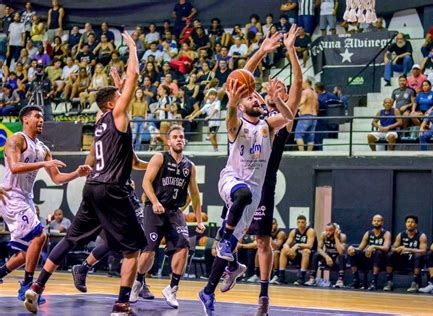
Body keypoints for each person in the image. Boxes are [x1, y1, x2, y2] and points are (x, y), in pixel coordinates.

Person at [23, 32, 146, 315]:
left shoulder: (101, 120)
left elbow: (103, 155)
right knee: (132, 249)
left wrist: (117, 85)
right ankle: (122, 304)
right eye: (121, 96)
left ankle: (36, 287)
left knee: (70, 239)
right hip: (113, 188)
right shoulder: (116, 115)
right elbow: (135, 76)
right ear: (114, 104)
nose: (125, 95)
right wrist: (131, 48)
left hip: (92, 185)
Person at [198, 32, 293, 316]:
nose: (254, 97)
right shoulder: (236, 124)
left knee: (230, 246)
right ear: (241, 104)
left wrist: (277, 101)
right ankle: (226, 241)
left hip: (250, 200)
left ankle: (208, 291)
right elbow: (241, 80)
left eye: (256, 95)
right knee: (241, 199)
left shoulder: (268, 125)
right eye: (249, 96)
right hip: (231, 182)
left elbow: (288, 116)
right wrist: (261, 52)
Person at [236, 25, 302, 315]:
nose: (280, 90)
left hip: (264, 182)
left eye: (283, 91)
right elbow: (239, 81)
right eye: (275, 88)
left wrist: (291, 50)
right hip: (238, 177)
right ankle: (229, 268)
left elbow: (297, 87)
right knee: (229, 236)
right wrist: (261, 52)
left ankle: (263, 296)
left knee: (262, 239)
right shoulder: (250, 110)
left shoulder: (279, 119)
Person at [0, 105, 90, 304]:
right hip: (11, 196)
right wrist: (43, 164)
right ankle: (27, 287)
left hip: (26, 198)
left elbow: (57, 179)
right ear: (25, 119)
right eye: (37, 117)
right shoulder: (17, 139)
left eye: (42, 117)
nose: (41, 120)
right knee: (40, 235)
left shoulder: (43, 148)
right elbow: (14, 167)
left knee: (27, 252)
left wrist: (77, 174)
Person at [130, 125, 205, 308]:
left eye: (181, 137)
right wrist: (155, 201)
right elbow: (146, 181)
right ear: (169, 141)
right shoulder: (160, 157)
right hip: (154, 209)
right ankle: (137, 283)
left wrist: (199, 219)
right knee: (149, 250)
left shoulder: (190, 166)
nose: (179, 139)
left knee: (183, 246)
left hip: (174, 211)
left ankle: (172, 288)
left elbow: (194, 194)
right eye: (175, 137)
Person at [383, 215, 427, 293]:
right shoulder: (401, 235)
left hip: (415, 260)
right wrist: (397, 249)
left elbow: (424, 251)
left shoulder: (421, 236)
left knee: (418, 256)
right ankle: (389, 282)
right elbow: (393, 247)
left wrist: (408, 249)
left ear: (416, 224)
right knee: (390, 255)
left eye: (412, 222)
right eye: (408, 222)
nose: (409, 224)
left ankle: (415, 283)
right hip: (402, 260)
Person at [347, 214, 391, 290]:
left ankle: (374, 282)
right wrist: (352, 248)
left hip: (381, 260)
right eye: (375, 221)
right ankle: (356, 280)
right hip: (369, 259)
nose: (376, 222)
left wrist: (374, 246)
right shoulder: (368, 233)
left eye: (378, 221)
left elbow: (386, 248)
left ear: (382, 222)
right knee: (352, 253)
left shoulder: (386, 233)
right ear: (372, 222)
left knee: (378, 252)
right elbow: (360, 248)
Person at [275, 215, 316, 285]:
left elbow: (310, 245)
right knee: (284, 250)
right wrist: (286, 247)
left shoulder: (310, 231)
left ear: (306, 223)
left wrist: (297, 245)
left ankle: (301, 278)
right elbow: (286, 243)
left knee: (306, 251)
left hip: (310, 255)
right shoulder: (294, 231)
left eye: (302, 222)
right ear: (296, 223)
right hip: (297, 255)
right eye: (299, 222)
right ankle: (281, 277)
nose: (300, 224)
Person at [307, 223, 347, 288]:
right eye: (326, 230)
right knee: (316, 255)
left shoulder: (342, 236)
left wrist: (336, 238)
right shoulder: (324, 235)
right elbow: (319, 248)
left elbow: (341, 251)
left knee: (342, 256)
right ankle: (312, 278)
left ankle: (340, 280)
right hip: (328, 258)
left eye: (330, 230)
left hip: (337, 260)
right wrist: (327, 257)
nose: (328, 232)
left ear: (335, 230)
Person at [295, 79, 318, 151]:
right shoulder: (315, 93)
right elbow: (317, 105)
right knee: (310, 136)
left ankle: (302, 153)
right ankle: (309, 154)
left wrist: (295, 106)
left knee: (298, 134)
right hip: (314, 116)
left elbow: (302, 102)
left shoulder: (305, 92)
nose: (302, 84)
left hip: (305, 115)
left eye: (303, 83)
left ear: (308, 83)